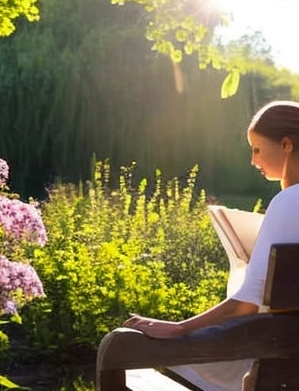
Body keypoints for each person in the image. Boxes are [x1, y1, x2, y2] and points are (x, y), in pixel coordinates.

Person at [122, 100, 299, 391]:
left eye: (257, 149)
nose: (253, 161)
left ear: (286, 144)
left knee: (123, 350)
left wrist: (181, 328)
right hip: (288, 356)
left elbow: (247, 304)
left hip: (276, 356)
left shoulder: (288, 202)